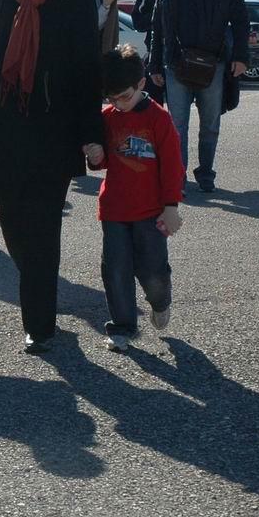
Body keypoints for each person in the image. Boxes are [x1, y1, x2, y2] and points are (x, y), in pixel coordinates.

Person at [0, 0, 104, 354]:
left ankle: (39, 324)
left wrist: (92, 133)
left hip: (53, 128)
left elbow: (87, 73)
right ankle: (39, 293)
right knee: (11, 223)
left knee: (43, 228)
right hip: (9, 126)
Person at [83, 45, 183, 353]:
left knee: (153, 270)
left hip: (151, 212)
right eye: (111, 98)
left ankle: (160, 300)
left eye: (124, 96)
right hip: (114, 209)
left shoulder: (159, 120)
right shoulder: (108, 117)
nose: (118, 104)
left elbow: (172, 166)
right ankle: (123, 326)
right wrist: (95, 156)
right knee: (114, 269)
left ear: (140, 84)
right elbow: (101, 160)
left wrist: (171, 207)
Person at [148, 0, 249, 193]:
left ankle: (206, 174)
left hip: (213, 65)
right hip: (175, 65)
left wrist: (240, 57)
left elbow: (240, 21)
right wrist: (154, 64)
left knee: (210, 125)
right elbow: (157, 27)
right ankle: (177, 177)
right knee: (176, 127)